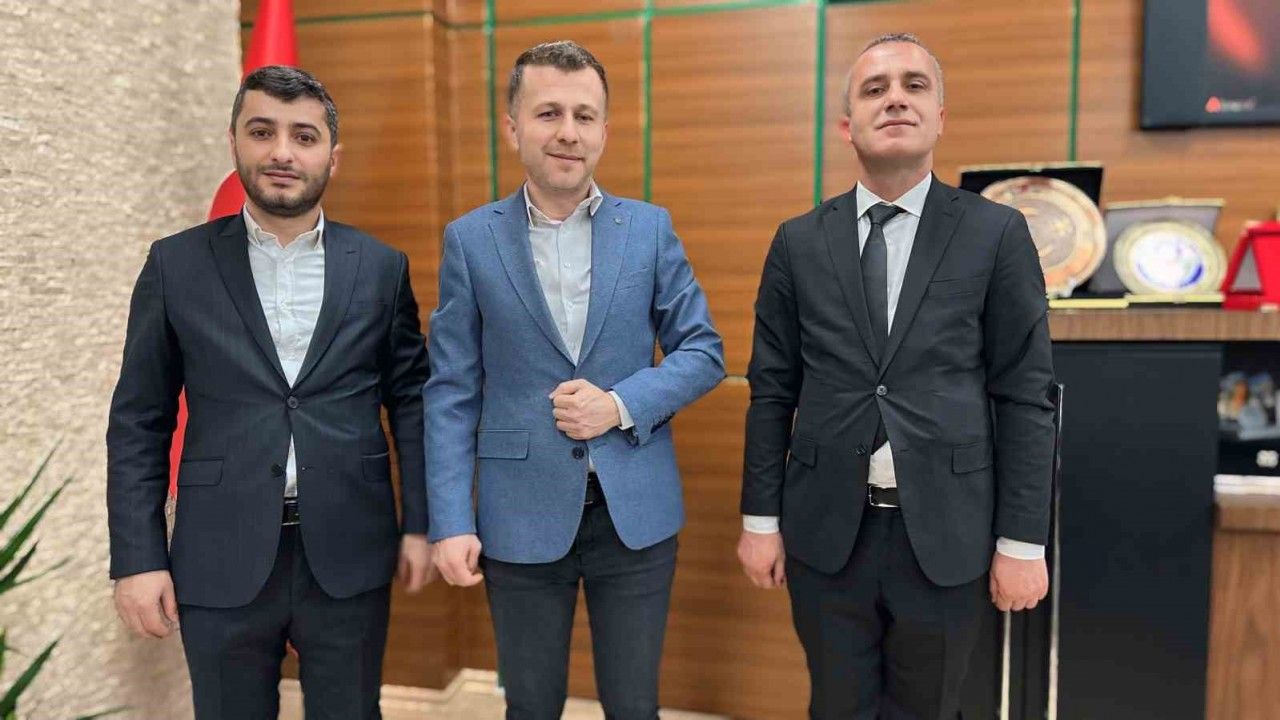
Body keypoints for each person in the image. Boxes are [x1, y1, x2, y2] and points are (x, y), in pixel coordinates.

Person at [737, 33, 1056, 719]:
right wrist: (760, 520)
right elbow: (771, 390)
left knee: (930, 708)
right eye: (875, 89)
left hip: (948, 533)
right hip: (826, 533)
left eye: (915, 85)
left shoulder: (996, 233)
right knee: (836, 706)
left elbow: (1026, 396)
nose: (895, 100)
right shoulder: (798, 241)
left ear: (940, 116)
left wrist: (1022, 541)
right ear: (847, 125)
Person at [107, 65, 432, 720]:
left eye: (304, 136)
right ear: (234, 142)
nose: (283, 152)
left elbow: (412, 404)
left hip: (349, 548)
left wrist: (423, 524)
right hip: (217, 550)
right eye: (263, 132)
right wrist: (137, 558)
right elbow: (140, 420)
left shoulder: (381, 268)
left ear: (332, 157)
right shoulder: (175, 265)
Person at [424, 40, 724, 720]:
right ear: (513, 128)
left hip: (635, 512)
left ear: (604, 131)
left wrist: (620, 404)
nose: (568, 132)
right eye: (549, 113)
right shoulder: (470, 240)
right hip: (517, 511)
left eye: (584, 116)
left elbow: (703, 351)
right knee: (530, 705)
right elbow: (450, 390)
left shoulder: (649, 229)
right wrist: (450, 519)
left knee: (633, 705)